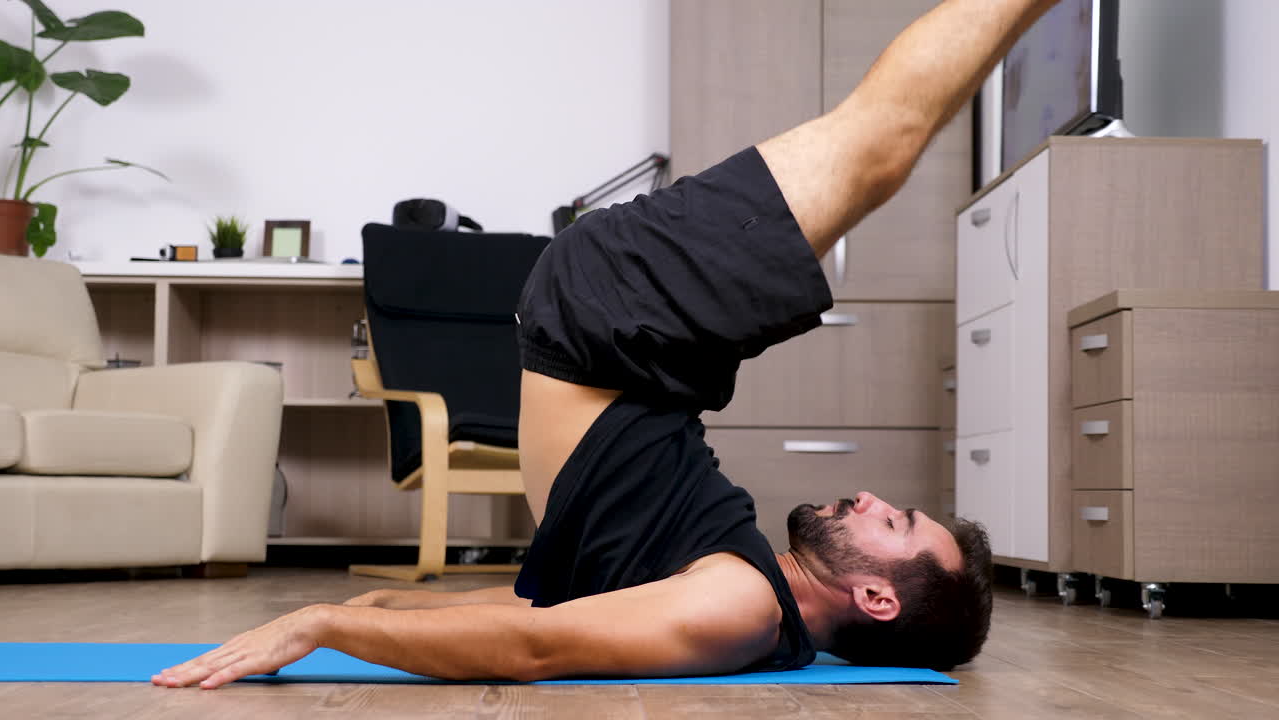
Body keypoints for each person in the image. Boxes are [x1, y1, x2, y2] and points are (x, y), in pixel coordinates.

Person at [153, 0, 1057, 690]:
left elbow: (534, 638)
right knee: (879, 145)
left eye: (894, 524)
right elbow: (547, 621)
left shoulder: (739, 606)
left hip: (614, 317)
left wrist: (330, 621)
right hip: (622, 329)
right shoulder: (740, 595)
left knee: (882, 142)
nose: (872, 498)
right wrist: (363, 616)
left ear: (877, 599)